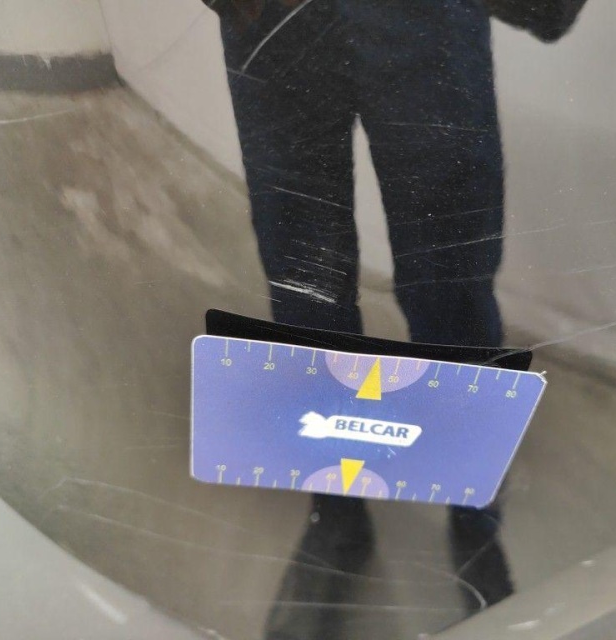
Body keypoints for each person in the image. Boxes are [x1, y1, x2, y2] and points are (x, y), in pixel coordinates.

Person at [208, 1, 510, 636]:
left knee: (452, 275)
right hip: (269, 16)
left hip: (425, 13)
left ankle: (473, 515)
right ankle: (337, 515)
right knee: (303, 285)